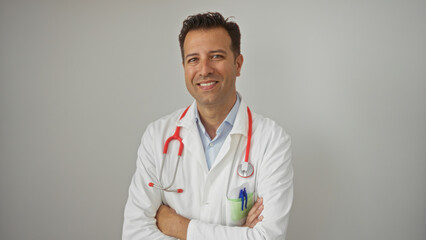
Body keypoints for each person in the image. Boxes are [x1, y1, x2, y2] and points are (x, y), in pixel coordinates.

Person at [122, 12, 293, 240]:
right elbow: (134, 234)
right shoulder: (157, 136)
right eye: (193, 59)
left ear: (238, 64)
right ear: (184, 67)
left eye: (216, 56)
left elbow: (267, 237)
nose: (204, 70)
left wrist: (179, 227)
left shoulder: (272, 140)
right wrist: (240, 234)